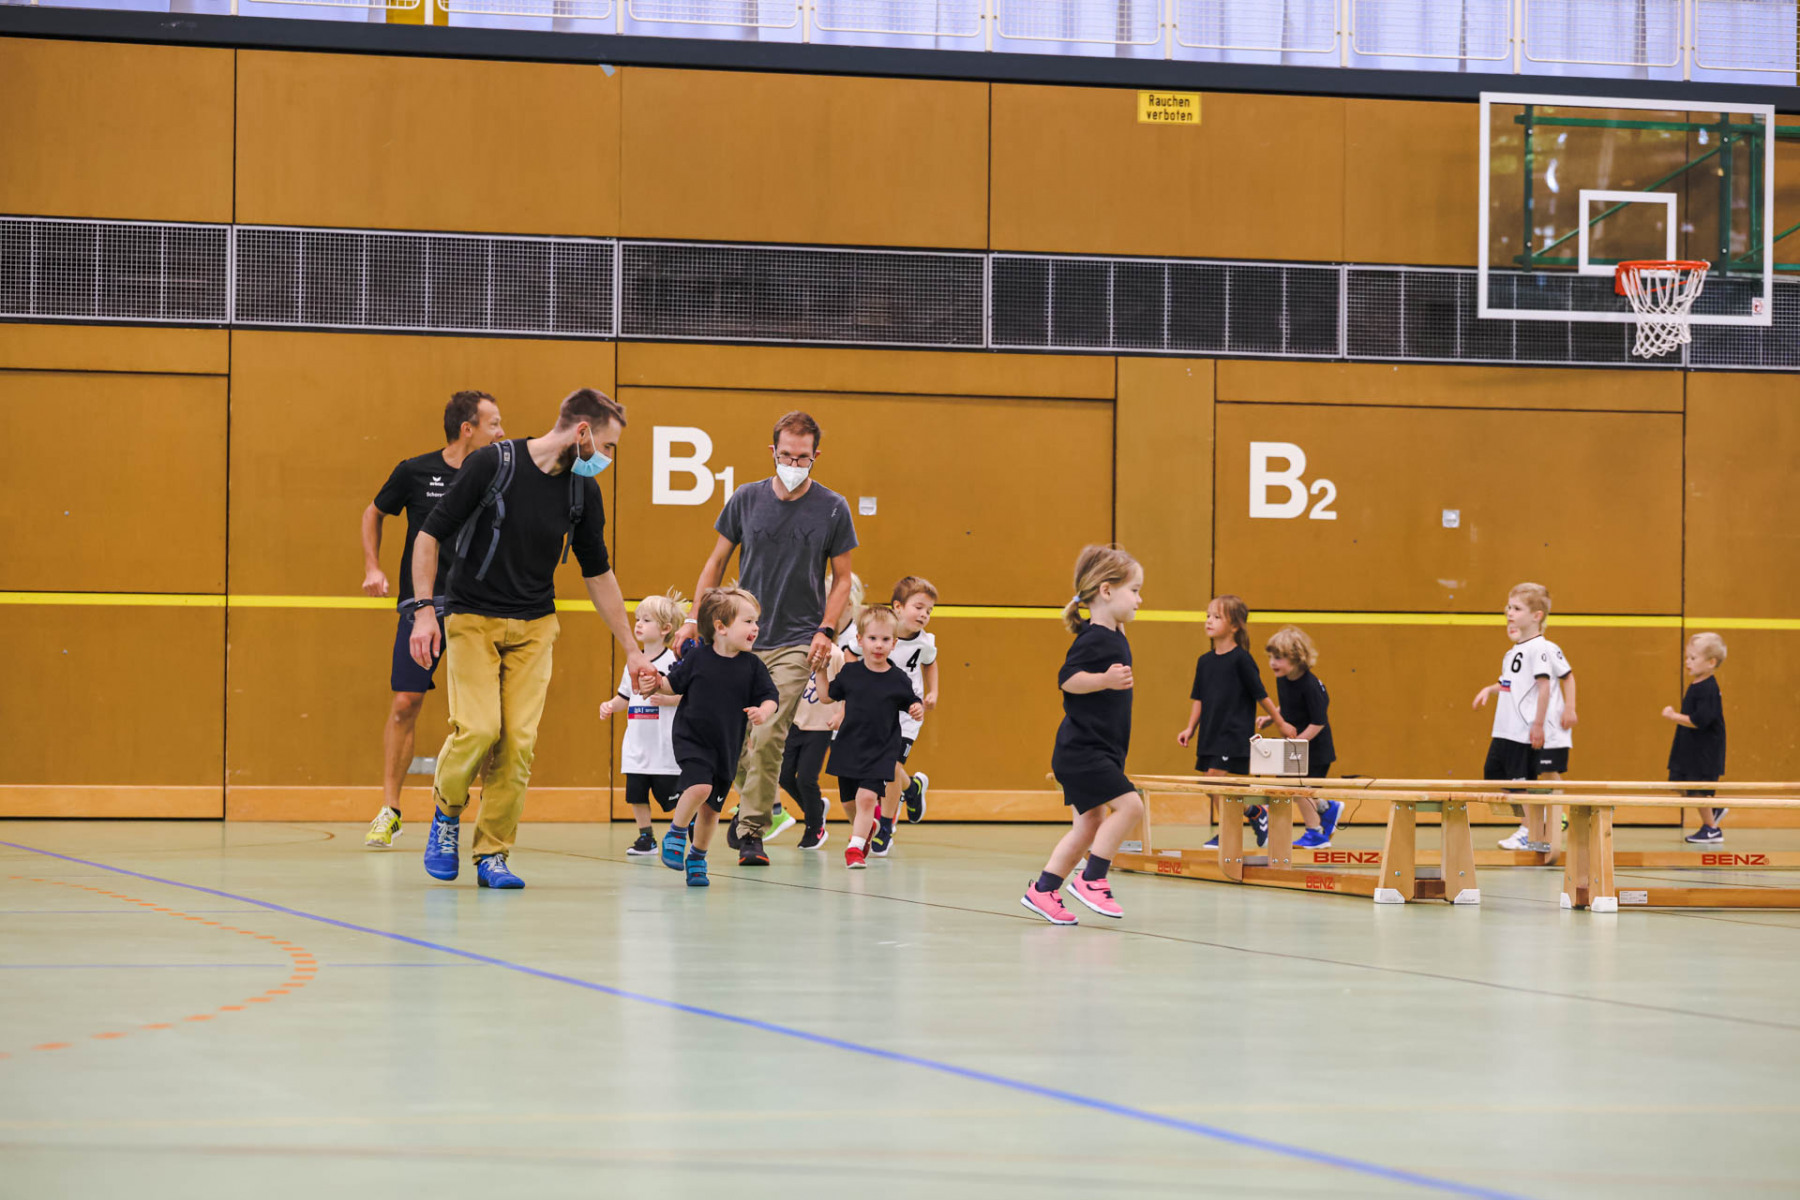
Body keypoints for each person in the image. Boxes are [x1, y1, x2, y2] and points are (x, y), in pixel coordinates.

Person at [407, 388, 653, 890]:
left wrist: (632, 648)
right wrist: (424, 611)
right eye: (607, 446)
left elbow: (598, 572)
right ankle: (447, 813)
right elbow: (429, 534)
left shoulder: (583, 492)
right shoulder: (492, 464)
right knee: (479, 730)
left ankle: (493, 854)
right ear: (582, 432)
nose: (608, 458)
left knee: (518, 742)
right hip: (472, 618)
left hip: (535, 625)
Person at [676, 411, 857, 867]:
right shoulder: (745, 498)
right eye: (786, 455)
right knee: (733, 737)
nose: (793, 464)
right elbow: (716, 562)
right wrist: (693, 619)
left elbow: (842, 579)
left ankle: (752, 829)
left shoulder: (833, 507)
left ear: (816, 456)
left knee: (770, 730)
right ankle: (757, 808)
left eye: (803, 457)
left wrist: (826, 629)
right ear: (772, 452)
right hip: (742, 638)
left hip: (797, 639)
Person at [359, 390, 505, 849]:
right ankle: (390, 809)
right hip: (422, 607)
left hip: (478, 609)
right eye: (494, 424)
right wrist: (372, 567)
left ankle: (481, 812)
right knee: (405, 703)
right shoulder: (415, 471)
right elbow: (374, 512)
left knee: (487, 719)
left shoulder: (500, 474)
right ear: (468, 428)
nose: (501, 433)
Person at [1022, 545, 1147, 925]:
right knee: (1131, 807)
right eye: (1134, 590)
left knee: (1089, 824)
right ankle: (1092, 879)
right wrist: (1104, 680)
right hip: (1083, 751)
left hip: (1100, 750)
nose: (1140, 600)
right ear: (1106, 591)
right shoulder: (1094, 639)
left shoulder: (1114, 631)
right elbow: (1068, 679)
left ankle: (1043, 889)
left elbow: (1107, 599)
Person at [651, 588, 780, 887]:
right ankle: (676, 833)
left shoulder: (753, 666)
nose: (755, 628)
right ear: (721, 627)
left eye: (756, 622)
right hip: (692, 739)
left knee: (711, 812)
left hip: (727, 748)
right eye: (748, 621)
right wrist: (655, 682)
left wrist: (763, 711)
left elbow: (771, 697)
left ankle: (697, 857)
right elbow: (672, 685)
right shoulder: (697, 657)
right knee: (700, 786)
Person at [1176, 595, 1294, 850]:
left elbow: (1261, 695)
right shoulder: (1204, 661)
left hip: (1233, 734)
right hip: (1210, 733)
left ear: (1235, 626)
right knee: (1210, 785)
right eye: (1208, 616)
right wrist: (1190, 728)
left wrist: (1281, 723)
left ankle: (1231, 830)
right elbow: (1198, 698)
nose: (1209, 621)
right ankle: (1254, 812)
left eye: (1217, 617)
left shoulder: (1242, 659)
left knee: (1215, 780)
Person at [1472, 582, 1576, 854]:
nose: (1509, 612)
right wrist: (1489, 689)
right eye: (1508, 607)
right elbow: (1509, 684)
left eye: (1517, 608)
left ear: (1536, 616)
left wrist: (1540, 723)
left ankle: (1531, 829)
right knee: (1496, 776)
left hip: (1523, 730)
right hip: (1505, 728)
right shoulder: (1513, 651)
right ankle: (1536, 823)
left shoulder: (1539, 648)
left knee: (1522, 781)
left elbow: (1545, 686)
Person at [827, 606, 924, 870]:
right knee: (849, 802)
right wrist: (820, 672)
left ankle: (855, 849)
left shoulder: (898, 679)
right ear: (860, 640)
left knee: (867, 799)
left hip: (882, 750)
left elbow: (912, 701)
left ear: (894, 643)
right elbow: (828, 696)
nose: (878, 645)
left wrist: (916, 707)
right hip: (849, 746)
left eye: (885, 639)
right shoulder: (850, 673)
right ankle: (867, 827)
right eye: (872, 638)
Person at [597, 592, 687, 857]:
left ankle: (686, 827)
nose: (638, 624)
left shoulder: (674, 662)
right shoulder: (633, 661)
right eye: (637, 619)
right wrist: (610, 705)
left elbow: (689, 697)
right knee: (636, 795)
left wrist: (668, 700)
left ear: (665, 628)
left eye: (646, 620)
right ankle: (646, 838)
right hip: (637, 745)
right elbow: (625, 697)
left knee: (671, 798)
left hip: (664, 747)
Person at [781, 573, 863, 851]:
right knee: (784, 775)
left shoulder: (838, 655)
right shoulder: (797, 654)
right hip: (797, 723)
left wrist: (841, 714)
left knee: (806, 778)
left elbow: (848, 689)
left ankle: (815, 827)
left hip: (821, 727)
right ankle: (816, 808)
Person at [865, 576, 939, 858]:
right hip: (878, 712)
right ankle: (913, 787)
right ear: (897, 607)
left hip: (909, 713)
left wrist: (933, 692)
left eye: (929, 611)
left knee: (890, 765)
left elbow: (930, 663)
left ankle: (885, 827)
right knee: (883, 767)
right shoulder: (879, 634)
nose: (924, 614)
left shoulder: (925, 641)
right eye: (918, 607)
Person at [1257, 625, 1342, 849]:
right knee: (1290, 786)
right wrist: (1272, 718)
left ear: (1297, 658)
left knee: (1297, 788)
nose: (1272, 663)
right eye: (1271, 657)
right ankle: (1326, 808)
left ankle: (1316, 833)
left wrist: (1297, 743)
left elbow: (1318, 722)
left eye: (1279, 658)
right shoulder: (1284, 679)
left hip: (1316, 750)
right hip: (1299, 748)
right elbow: (1288, 705)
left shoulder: (1311, 686)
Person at [1665, 632, 1728, 844]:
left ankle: (1711, 829)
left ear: (1711, 662)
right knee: (1681, 784)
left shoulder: (1708, 688)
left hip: (1704, 751)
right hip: (1691, 748)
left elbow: (1699, 721)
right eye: (1687, 657)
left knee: (1697, 790)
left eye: (1693, 658)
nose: (1687, 662)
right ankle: (1713, 810)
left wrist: (1673, 716)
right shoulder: (1697, 685)